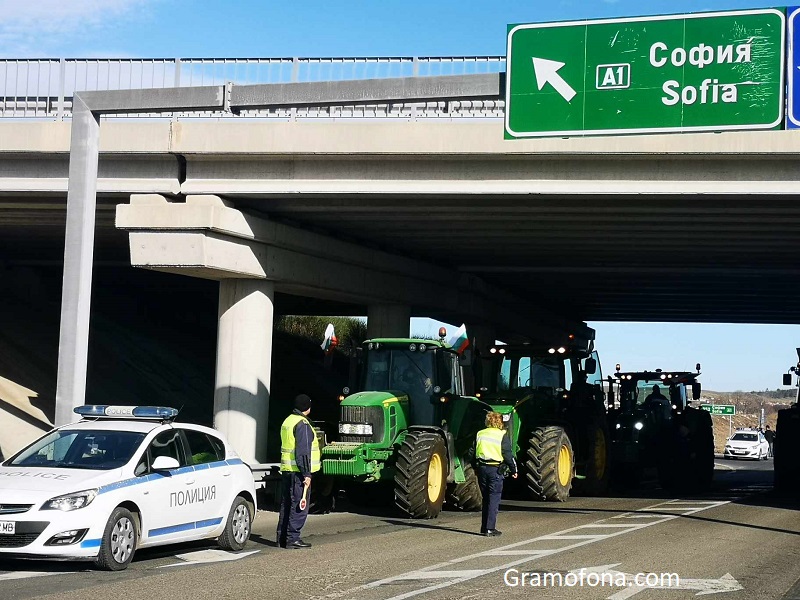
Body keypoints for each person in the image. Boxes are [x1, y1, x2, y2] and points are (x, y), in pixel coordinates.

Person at [276, 394, 320, 549]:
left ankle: (282, 538)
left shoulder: (288, 421)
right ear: (308, 407)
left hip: (288, 469)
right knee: (299, 505)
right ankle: (293, 538)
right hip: (299, 472)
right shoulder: (303, 424)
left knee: (287, 504)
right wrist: (307, 474)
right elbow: (303, 453)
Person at [473, 411, 517, 537]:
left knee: (486, 498)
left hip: (482, 468)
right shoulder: (502, 435)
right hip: (495, 469)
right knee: (494, 498)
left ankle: (484, 527)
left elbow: (472, 451)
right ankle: (490, 528)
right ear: (500, 422)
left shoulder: (480, 434)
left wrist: (474, 467)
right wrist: (513, 470)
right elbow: (508, 455)